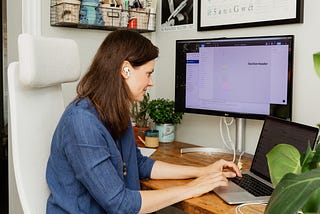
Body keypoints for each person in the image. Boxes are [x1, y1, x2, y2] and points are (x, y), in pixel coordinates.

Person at [46, 29, 241, 213]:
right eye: (148, 73)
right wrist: (192, 188)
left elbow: (138, 164)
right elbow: (119, 204)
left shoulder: (114, 111)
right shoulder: (82, 123)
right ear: (126, 70)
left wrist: (202, 171)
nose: (151, 82)